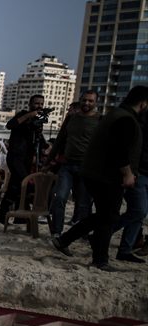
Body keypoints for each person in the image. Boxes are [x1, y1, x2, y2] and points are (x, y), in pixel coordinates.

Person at [52, 86, 147, 269]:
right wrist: (127, 173)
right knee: (108, 217)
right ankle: (100, 260)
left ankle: (65, 240)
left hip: (95, 173)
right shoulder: (126, 119)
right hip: (106, 176)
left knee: (104, 216)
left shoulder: (115, 114)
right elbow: (119, 150)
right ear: (143, 104)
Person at [47, 89, 99, 238]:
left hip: (87, 167)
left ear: (96, 103)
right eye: (84, 100)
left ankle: (80, 233)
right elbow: (59, 141)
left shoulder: (100, 120)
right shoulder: (71, 118)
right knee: (59, 198)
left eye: (90, 101)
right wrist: (49, 161)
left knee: (83, 203)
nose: (87, 103)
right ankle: (56, 232)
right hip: (68, 165)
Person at [0, 95, 49, 224]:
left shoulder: (37, 120)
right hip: (15, 156)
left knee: (15, 186)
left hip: (27, 157)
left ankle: (5, 214)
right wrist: (29, 116)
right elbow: (10, 125)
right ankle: (23, 212)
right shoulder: (23, 115)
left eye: (41, 104)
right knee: (24, 182)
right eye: (36, 103)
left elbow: (39, 137)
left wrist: (46, 147)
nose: (39, 106)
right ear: (30, 104)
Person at [114, 106, 148, 262]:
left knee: (139, 214)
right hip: (138, 173)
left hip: (141, 173)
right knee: (138, 211)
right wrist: (129, 172)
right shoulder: (140, 123)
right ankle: (103, 233)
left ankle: (125, 250)